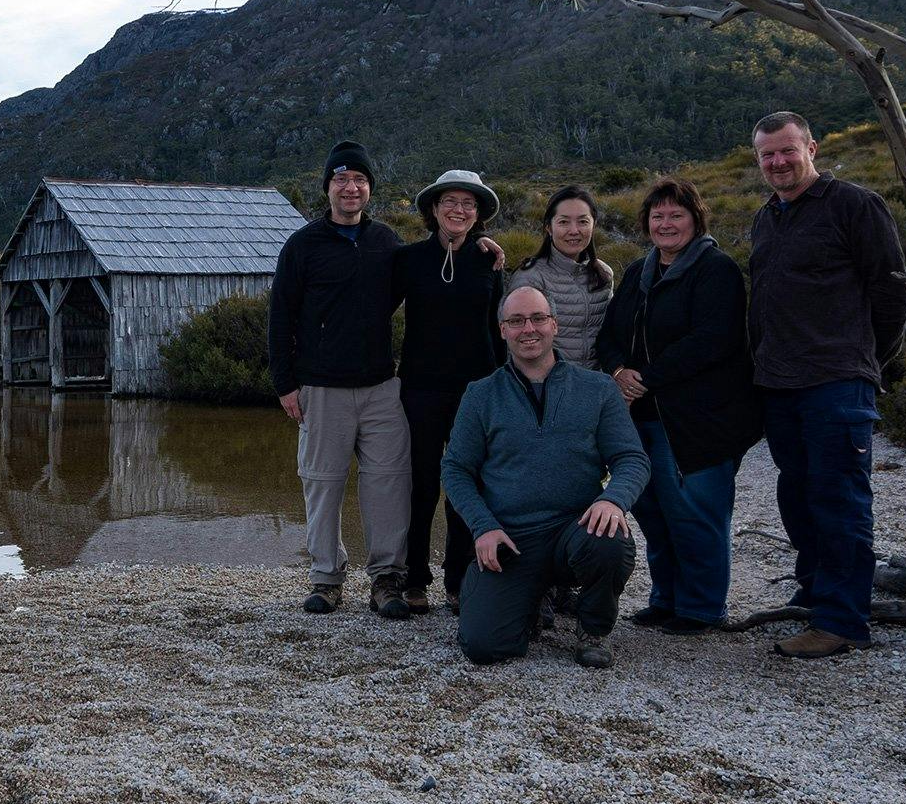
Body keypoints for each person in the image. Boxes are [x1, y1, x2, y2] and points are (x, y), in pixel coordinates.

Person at [748, 111, 906, 660]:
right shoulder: (767, 218)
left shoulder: (855, 205)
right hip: (779, 383)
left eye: (787, 150)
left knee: (839, 497)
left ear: (812, 148)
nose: (778, 162)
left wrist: (864, 359)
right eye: (768, 154)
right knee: (796, 494)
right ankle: (816, 591)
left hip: (836, 382)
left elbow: (893, 293)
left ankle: (842, 620)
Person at [440, 285, 648, 669]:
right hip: (511, 538)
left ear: (554, 324)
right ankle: (533, 599)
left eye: (538, 318)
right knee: (484, 646)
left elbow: (632, 458)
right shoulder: (481, 395)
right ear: (503, 330)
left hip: (577, 529)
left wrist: (612, 500)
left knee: (611, 541)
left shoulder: (598, 388)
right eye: (516, 321)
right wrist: (483, 527)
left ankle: (593, 628)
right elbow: (455, 469)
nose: (528, 329)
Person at [596, 177, 762, 635]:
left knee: (697, 513)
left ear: (695, 219)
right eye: (658, 216)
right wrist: (618, 371)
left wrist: (646, 378)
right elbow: (609, 334)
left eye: (676, 214)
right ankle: (665, 598)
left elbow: (712, 340)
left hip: (697, 419)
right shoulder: (639, 271)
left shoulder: (716, 269)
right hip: (641, 417)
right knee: (653, 511)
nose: (666, 223)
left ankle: (702, 608)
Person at [268, 140, 413, 618]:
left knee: (388, 485)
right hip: (320, 388)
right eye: (342, 179)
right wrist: (285, 384)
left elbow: (424, 278)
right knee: (322, 484)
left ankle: (387, 579)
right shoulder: (302, 245)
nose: (351, 188)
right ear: (328, 187)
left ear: (370, 188)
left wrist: (479, 246)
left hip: (381, 388)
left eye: (360, 180)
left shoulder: (387, 242)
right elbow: (280, 317)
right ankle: (327, 578)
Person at [393, 169, 506, 616]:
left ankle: (458, 579)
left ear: (477, 214)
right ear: (434, 209)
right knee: (420, 484)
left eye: (468, 204)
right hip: (420, 389)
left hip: (475, 392)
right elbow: (374, 311)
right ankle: (414, 578)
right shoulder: (410, 259)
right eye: (450, 202)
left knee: (465, 484)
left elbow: (497, 329)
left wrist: (503, 384)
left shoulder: (489, 260)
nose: (459, 210)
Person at [510, 186, 614, 368]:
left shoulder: (603, 274)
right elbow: (518, 343)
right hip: (548, 381)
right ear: (549, 227)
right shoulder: (530, 278)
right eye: (564, 222)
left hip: (596, 380)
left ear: (594, 225)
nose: (574, 230)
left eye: (583, 221)